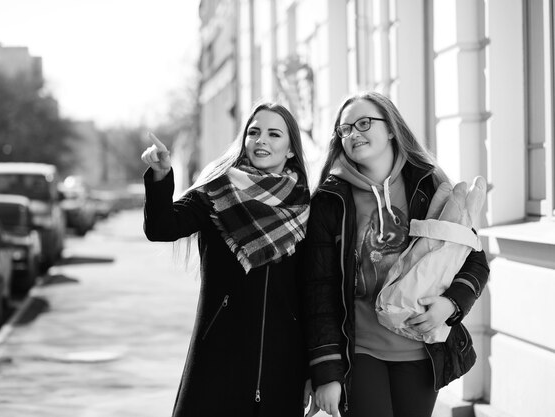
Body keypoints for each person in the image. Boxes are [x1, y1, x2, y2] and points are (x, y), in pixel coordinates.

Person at [302, 91, 490, 417]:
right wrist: (326, 372)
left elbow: (473, 258)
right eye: (344, 129)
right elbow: (319, 289)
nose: (353, 134)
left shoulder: (428, 184)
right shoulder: (330, 200)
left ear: (390, 128)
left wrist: (451, 304)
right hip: (358, 351)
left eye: (363, 123)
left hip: (422, 351)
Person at [141, 102, 312, 417]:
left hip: (282, 366)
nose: (261, 140)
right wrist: (161, 176)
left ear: (290, 149)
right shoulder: (215, 194)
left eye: (274, 134)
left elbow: (312, 292)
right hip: (217, 360)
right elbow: (162, 228)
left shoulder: (305, 208)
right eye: (254, 132)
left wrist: (316, 370)